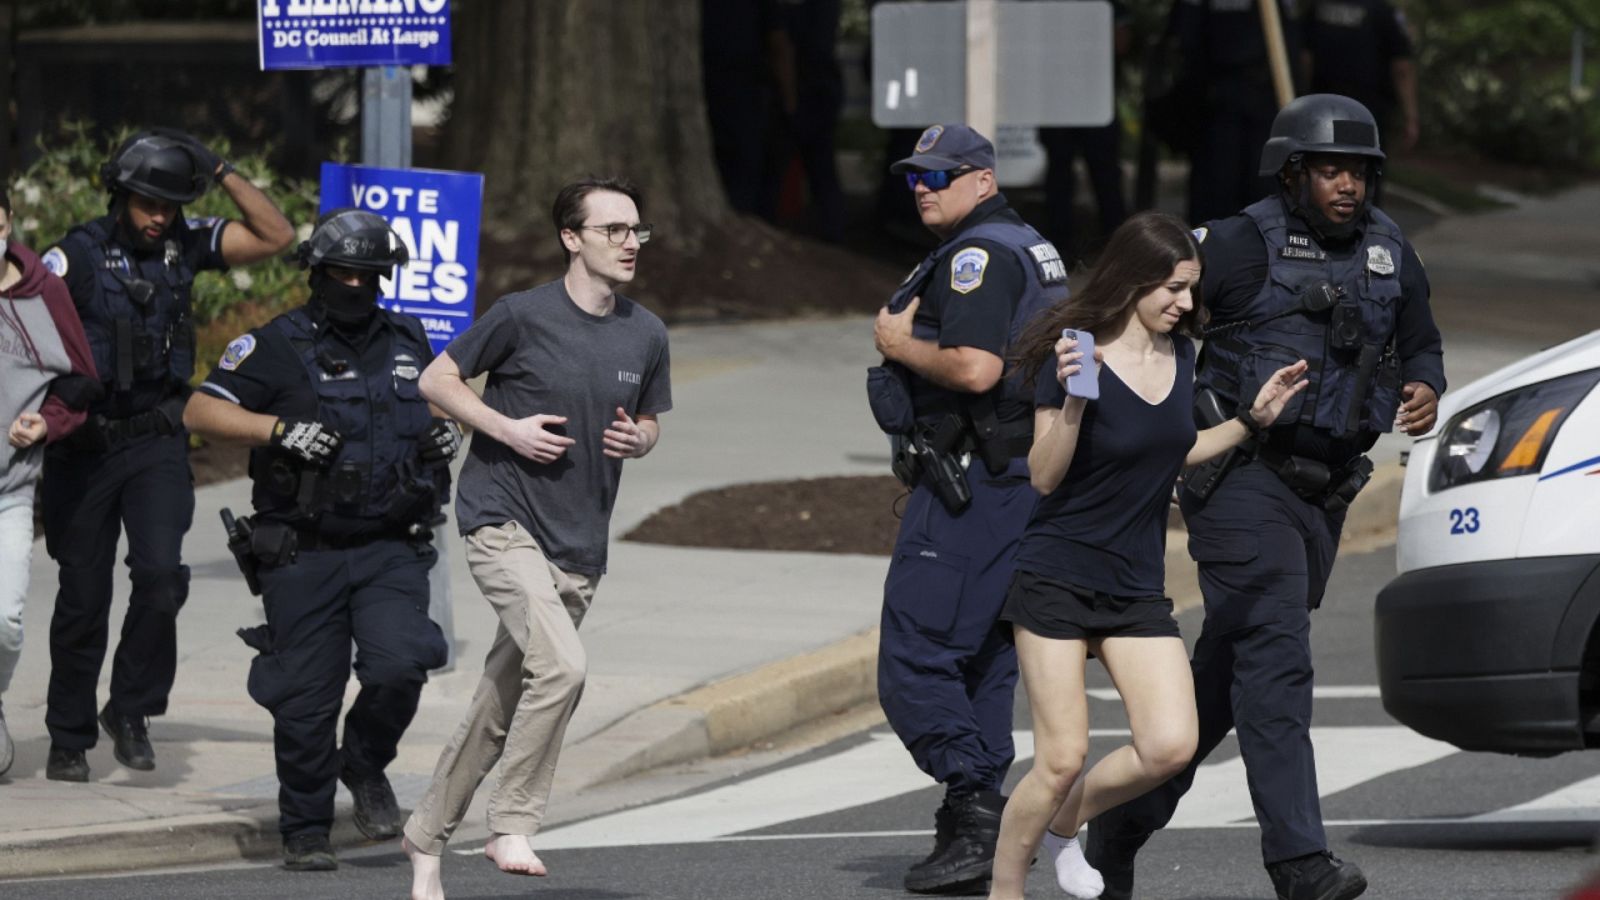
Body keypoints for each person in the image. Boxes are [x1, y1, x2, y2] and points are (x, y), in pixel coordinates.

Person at [1085, 94, 1445, 900]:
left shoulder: (1391, 250)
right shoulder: (1239, 245)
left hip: (1326, 494)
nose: (1346, 185)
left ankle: (1117, 829)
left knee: (1230, 670)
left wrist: (1423, 384)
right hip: (1241, 478)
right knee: (1278, 662)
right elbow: (1145, 308)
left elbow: (1419, 339)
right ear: (1292, 174)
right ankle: (1298, 863)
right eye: (1329, 170)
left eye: (1357, 171)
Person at [985, 211, 1309, 900]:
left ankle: (1063, 826)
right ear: (1132, 281)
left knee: (1169, 746)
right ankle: (1005, 889)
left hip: (1133, 586)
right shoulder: (1072, 351)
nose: (1185, 304)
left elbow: (1170, 454)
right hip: (1058, 575)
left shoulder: (1181, 356)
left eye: (1191, 289)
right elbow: (1043, 475)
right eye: (1172, 288)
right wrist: (1074, 404)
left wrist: (1251, 422)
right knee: (1061, 757)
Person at [401, 176, 671, 900]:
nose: (628, 243)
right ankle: (511, 822)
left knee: (499, 705)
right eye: (612, 229)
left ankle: (424, 836)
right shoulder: (521, 315)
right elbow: (437, 378)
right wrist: (504, 428)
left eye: (635, 231)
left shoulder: (645, 332)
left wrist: (639, 439)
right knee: (565, 668)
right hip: (502, 518)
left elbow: (649, 420)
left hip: (579, 543)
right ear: (570, 238)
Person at [183, 208, 454, 870]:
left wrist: (449, 429)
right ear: (316, 271)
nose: (356, 284)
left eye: (369, 273)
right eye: (342, 271)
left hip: (392, 542)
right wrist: (278, 431)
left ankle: (363, 763)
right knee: (306, 700)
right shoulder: (276, 344)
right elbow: (199, 408)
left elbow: (445, 400)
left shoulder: (408, 338)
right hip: (303, 549)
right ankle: (304, 827)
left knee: (400, 666)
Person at [39, 129, 294, 782]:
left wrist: (219, 166)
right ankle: (68, 734)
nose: (159, 217)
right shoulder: (76, 258)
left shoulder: (183, 245)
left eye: (170, 205)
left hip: (156, 438)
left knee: (160, 578)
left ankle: (131, 708)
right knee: (83, 597)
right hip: (85, 447)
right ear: (120, 196)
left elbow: (275, 236)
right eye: (148, 203)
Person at [867, 123, 1068, 894]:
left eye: (940, 176)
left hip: (975, 483)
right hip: (1019, 478)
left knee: (915, 655)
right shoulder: (1028, 243)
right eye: (915, 178)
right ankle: (972, 828)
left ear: (983, 179)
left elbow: (975, 367)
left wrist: (897, 344)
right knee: (982, 658)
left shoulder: (980, 256)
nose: (923, 188)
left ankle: (978, 805)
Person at [0, 187, 99, 778]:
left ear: (8, 223)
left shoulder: (45, 293)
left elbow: (81, 380)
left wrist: (48, 422)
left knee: (5, 621)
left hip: (10, 491)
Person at [1170, 0, 1301, 225]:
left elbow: (1292, 44)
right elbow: (1185, 39)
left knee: (1262, 187)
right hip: (1216, 104)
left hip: (1264, 104)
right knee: (1215, 190)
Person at [1039, 0, 1132, 257]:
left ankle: (1120, 251)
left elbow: (1121, 43)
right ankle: (1059, 250)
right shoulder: (1046, 8)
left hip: (1096, 101)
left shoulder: (1107, 4)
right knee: (1060, 176)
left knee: (1105, 178)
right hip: (1058, 103)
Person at [1300, 0, 1420, 153]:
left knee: (1324, 164)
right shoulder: (1384, 11)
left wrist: (1302, 99)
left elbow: (1305, 59)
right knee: (1361, 166)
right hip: (1366, 110)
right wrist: (1411, 116)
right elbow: (1402, 67)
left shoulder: (1319, 7)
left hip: (1322, 106)